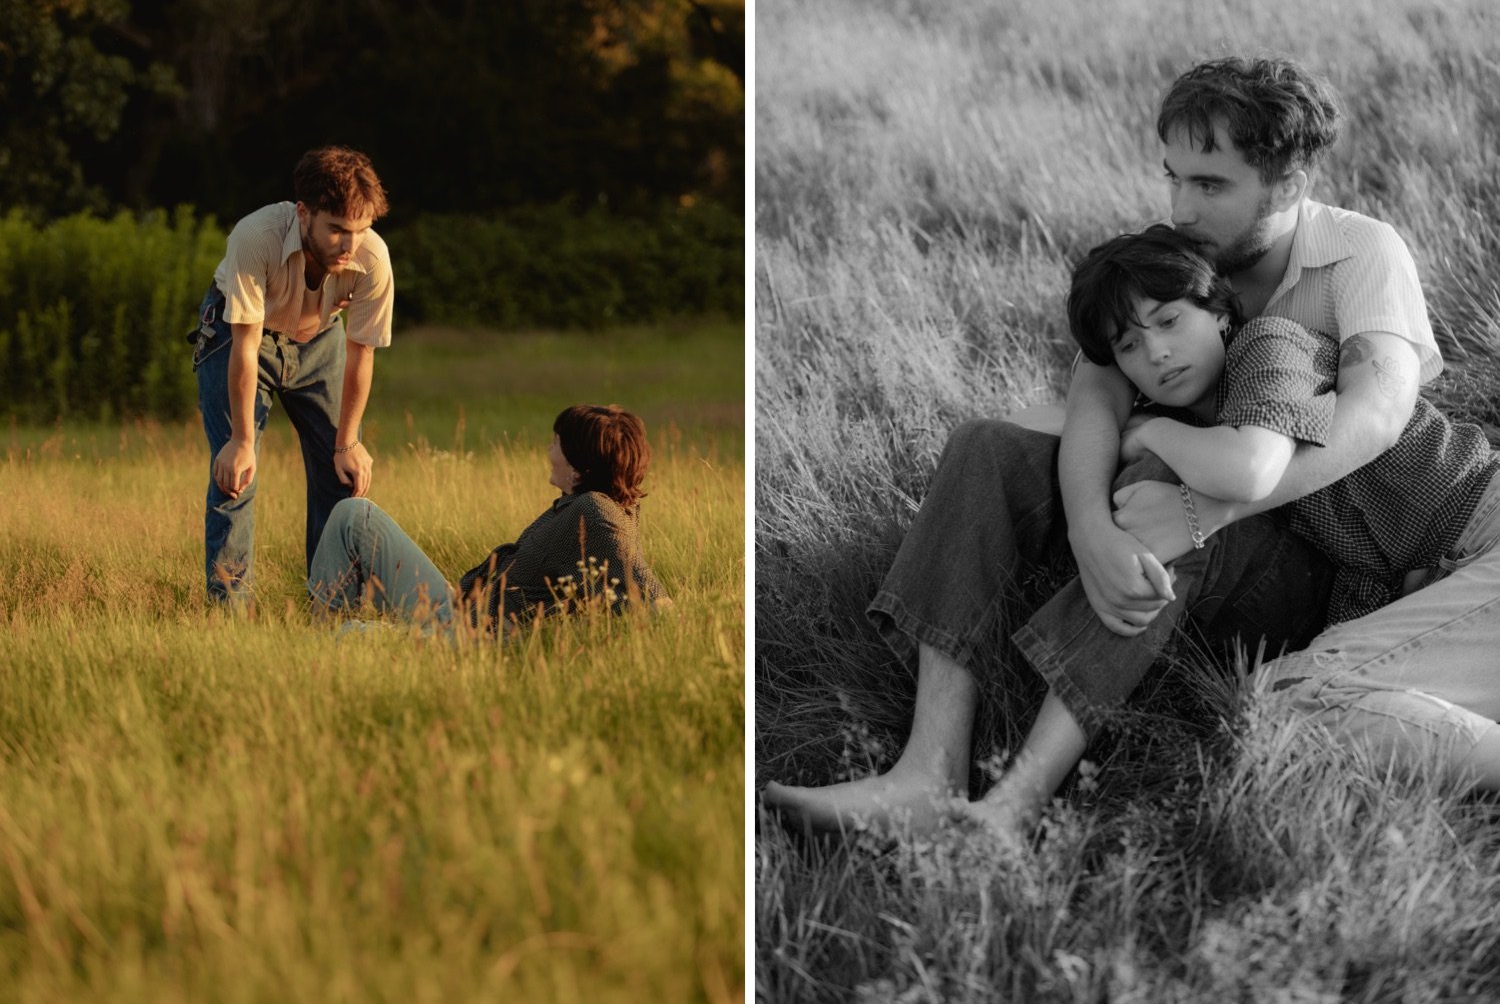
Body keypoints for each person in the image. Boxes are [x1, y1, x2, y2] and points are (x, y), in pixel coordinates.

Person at [762, 54, 1441, 837]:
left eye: (1210, 185)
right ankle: (928, 766)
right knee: (987, 442)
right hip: (1208, 494)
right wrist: (1088, 525)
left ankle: (1015, 803)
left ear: (1287, 183)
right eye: (1174, 178)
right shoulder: (1182, 256)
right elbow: (1094, 393)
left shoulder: (1359, 253)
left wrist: (1202, 508)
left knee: (1162, 476)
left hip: (1321, 543)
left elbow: (1379, 413)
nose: (1183, 207)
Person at [956, 228, 1500, 837]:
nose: (1156, 353)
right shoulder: (1192, 418)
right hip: (1441, 583)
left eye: (1168, 322)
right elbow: (1029, 423)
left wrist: (1148, 432)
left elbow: (1244, 471)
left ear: (1220, 314)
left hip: (1484, 534)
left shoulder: (1269, 348)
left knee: (1295, 700)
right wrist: (1115, 420)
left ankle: (1018, 801)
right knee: (1279, 708)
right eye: (1130, 346)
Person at [190, 146, 393, 607]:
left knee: (343, 474)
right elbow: (244, 344)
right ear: (304, 213)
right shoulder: (256, 236)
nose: (349, 244)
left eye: (359, 231)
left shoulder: (373, 261)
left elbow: (361, 353)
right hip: (240, 334)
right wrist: (241, 440)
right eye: (337, 229)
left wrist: (349, 442)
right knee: (234, 474)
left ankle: (332, 607)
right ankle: (230, 612)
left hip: (321, 340)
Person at [307, 404, 668, 636]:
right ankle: (323, 623)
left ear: (579, 466)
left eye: (557, 443)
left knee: (351, 637)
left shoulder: (596, 513)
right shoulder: (579, 503)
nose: (548, 450)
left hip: (469, 638)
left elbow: (653, 600)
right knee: (354, 513)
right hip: (457, 608)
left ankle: (326, 642)